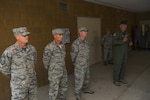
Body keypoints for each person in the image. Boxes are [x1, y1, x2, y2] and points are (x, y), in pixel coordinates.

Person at [0, 27, 38, 100]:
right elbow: (3, 67)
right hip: (19, 87)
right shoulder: (10, 51)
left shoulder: (32, 49)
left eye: (27, 35)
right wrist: (15, 76)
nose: (27, 37)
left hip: (32, 84)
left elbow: (34, 62)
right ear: (17, 37)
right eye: (24, 36)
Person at [43, 28, 68, 100]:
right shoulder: (49, 47)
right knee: (53, 90)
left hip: (63, 70)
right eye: (59, 35)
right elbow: (46, 61)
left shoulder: (63, 46)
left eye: (62, 35)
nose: (62, 36)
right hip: (54, 72)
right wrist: (52, 70)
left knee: (64, 87)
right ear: (54, 36)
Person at [70, 27, 94, 100]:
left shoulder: (86, 42)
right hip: (79, 65)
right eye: (84, 31)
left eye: (86, 31)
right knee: (79, 80)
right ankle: (77, 93)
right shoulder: (76, 43)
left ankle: (85, 89)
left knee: (86, 78)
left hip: (86, 64)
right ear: (80, 33)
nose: (86, 32)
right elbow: (72, 55)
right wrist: (76, 64)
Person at [113, 20, 133, 86]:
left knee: (123, 66)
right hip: (118, 54)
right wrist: (122, 41)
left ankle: (121, 78)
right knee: (117, 66)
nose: (125, 27)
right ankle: (116, 80)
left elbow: (129, 39)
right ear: (120, 26)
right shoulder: (116, 33)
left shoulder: (127, 33)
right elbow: (114, 42)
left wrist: (130, 42)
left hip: (125, 54)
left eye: (126, 26)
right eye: (123, 26)